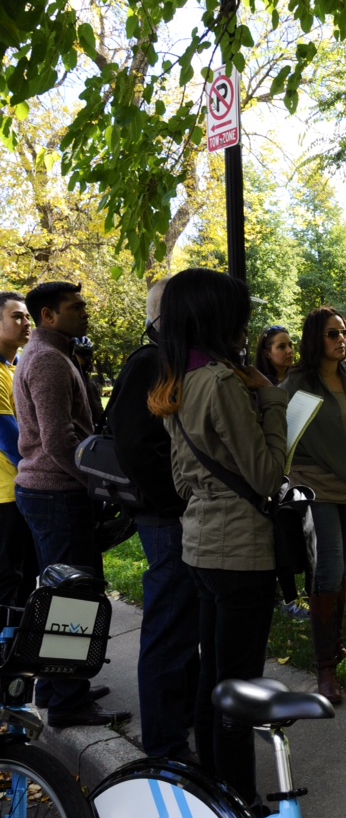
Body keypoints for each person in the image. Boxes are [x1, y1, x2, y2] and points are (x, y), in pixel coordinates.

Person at [148, 269, 287, 806]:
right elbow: (268, 473)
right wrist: (273, 401)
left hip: (202, 545)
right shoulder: (224, 382)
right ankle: (242, 809)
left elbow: (185, 476)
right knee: (237, 690)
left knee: (212, 677)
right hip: (240, 552)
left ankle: (215, 793)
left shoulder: (179, 378)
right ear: (218, 317)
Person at [14, 281, 127, 727]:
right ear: (49, 316)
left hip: (50, 491)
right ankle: (67, 702)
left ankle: (58, 685)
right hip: (56, 492)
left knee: (63, 593)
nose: (85, 313)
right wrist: (96, 482)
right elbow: (58, 439)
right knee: (72, 599)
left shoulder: (50, 355)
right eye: (75, 307)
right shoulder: (47, 361)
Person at [108, 279, 200, 761]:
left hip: (174, 515)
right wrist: (179, 502)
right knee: (168, 630)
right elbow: (136, 447)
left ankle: (181, 717)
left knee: (182, 626)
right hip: (166, 520)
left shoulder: (171, 359)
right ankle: (165, 745)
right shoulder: (151, 362)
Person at [282, 307, 346, 704]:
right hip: (315, 487)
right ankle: (325, 670)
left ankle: (336, 646)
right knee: (328, 570)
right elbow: (283, 434)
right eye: (333, 334)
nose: (342, 340)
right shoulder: (298, 382)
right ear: (315, 338)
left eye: (344, 333)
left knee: (339, 571)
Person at [254, 323, 309, 621]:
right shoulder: (257, 385)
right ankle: (288, 598)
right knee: (281, 535)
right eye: (281, 347)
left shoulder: (301, 380)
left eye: (290, 345)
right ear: (266, 352)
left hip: (303, 467)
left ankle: (314, 595)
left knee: (306, 534)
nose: (289, 351)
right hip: (275, 471)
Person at [0, 291, 38, 622]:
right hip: (6, 498)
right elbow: (11, 440)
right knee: (7, 585)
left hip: (17, 491)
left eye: (27, 315)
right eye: (17, 316)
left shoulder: (13, 368)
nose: (26, 322)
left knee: (23, 582)